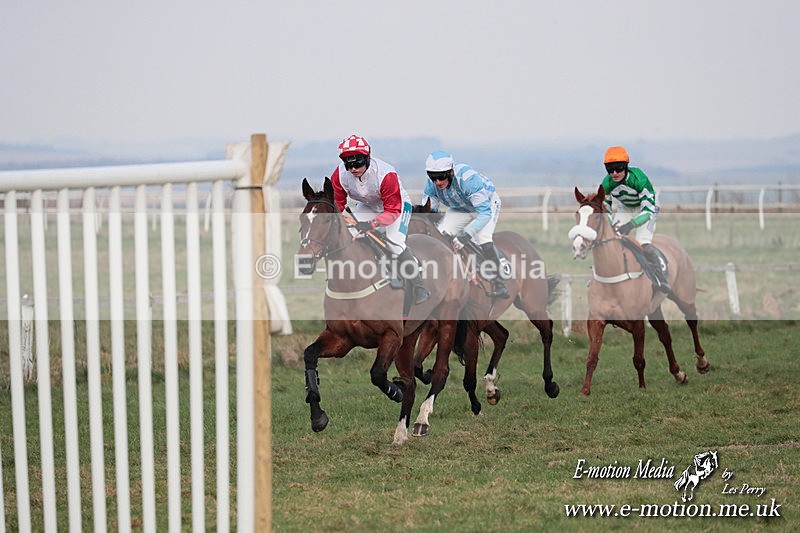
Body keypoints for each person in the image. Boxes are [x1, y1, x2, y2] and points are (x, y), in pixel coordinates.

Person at [330, 134, 430, 304]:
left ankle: (419, 286)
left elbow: (392, 210)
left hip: (396, 206)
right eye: (349, 164)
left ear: (367, 158)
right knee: (352, 237)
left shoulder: (385, 173)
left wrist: (372, 224)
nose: (353, 169)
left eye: (357, 163)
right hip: (368, 204)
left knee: (394, 243)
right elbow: (337, 204)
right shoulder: (339, 174)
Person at [421, 150, 509, 299]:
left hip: (486, 206)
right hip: (461, 207)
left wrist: (464, 236)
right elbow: (431, 212)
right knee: (441, 232)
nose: (437, 182)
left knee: (482, 237)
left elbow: (485, 213)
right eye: (433, 177)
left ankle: (499, 281)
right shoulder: (431, 185)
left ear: (450, 171)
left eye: (441, 177)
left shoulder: (468, 180)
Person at [600, 145, 671, 293]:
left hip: (647, 208)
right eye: (610, 169)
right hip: (625, 208)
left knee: (643, 242)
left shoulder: (639, 179)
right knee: (614, 238)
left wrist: (632, 224)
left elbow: (647, 210)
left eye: (618, 168)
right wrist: (609, 223)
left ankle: (660, 276)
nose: (614, 173)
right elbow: (606, 205)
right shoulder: (606, 183)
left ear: (626, 166)